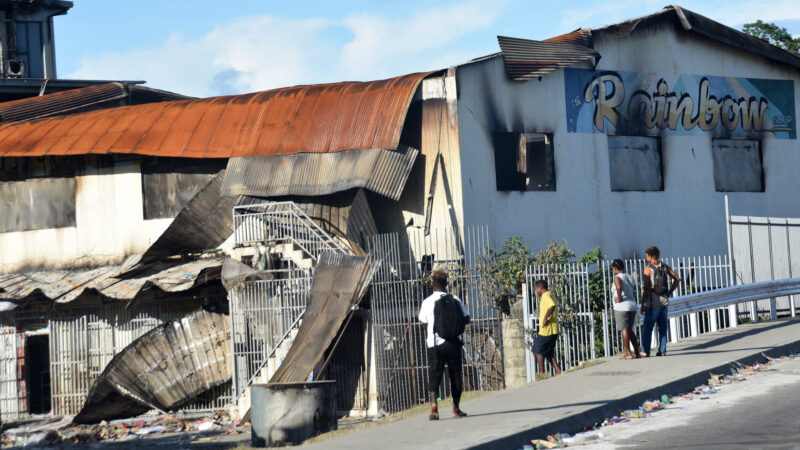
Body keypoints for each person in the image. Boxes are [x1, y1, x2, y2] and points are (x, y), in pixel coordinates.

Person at [418, 269, 470, 420]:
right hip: (452, 343)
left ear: (433, 284)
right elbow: (466, 319)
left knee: (435, 374)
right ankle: (456, 409)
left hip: (434, 344)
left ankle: (434, 406)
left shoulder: (427, 302)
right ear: (446, 284)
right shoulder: (454, 299)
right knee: (455, 375)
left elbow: (423, 323)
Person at [640, 246, 681, 357]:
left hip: (653, 302)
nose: (646, 256)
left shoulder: (648, 269)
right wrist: (669, 293)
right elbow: (677, 279)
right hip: (664, 301)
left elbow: (647, 287)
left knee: (648, 328)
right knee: (663, 328)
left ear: (650, 255)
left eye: (646, 254)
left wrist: (643, 303)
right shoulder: (664, 266)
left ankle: (645, 351)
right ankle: (662, 350)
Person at [611, 259, 641, 359]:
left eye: (613, 268)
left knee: (624, 329)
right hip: (632, 305)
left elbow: (619, 287)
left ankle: (628, 353)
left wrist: (619, 297)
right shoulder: (629, 276)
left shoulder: (617, 277)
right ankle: (636, 352)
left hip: (622, 306)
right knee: (630, 329)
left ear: (615, 268)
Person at [532, 280, 562, 376]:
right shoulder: (550, 294)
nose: (536, 291)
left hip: (547, 330)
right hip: (553, 329)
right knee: (548, 351)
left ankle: (542, 373)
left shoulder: (545, 296)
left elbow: (551, 306)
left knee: (537, 349)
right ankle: (558, 371)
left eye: (536, 289)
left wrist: (545, 318)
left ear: (540, 288)